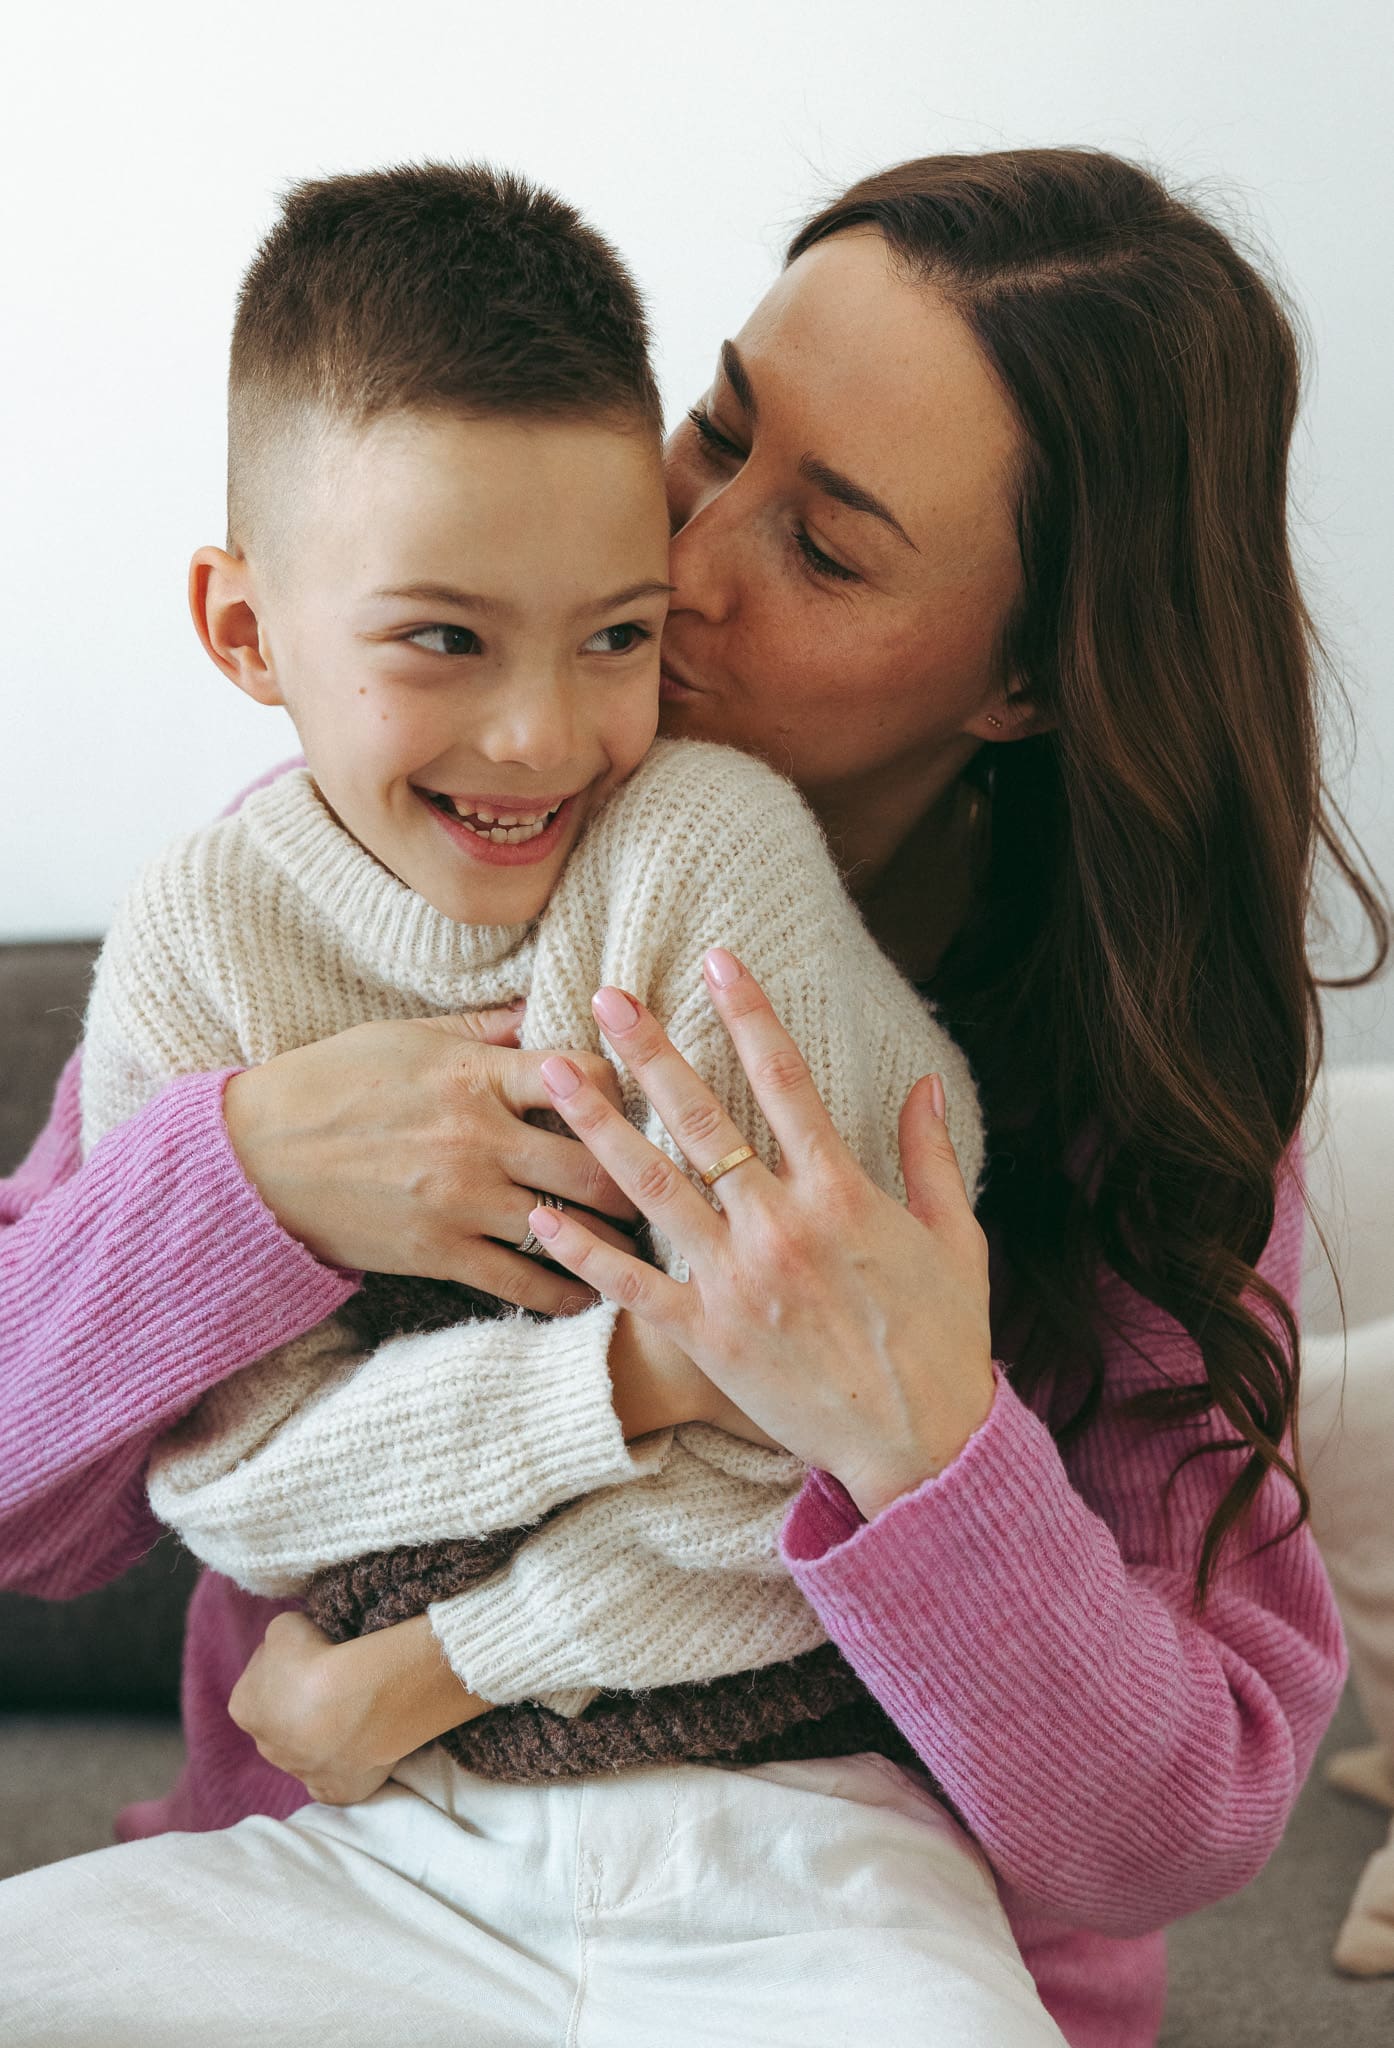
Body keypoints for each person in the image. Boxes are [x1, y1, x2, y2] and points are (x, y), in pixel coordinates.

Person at [0, 146, 1385, 2047]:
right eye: (713, 432)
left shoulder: (1140, 1065)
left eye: (822, 546)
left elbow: (1179, 1818)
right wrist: (238, 1184)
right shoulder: (329, 873)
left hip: (851, 1926)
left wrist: (919, 1441)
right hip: (351, 1873)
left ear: (1024, 679)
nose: (684, 561)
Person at [78, 163, 986, 1742]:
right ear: (244, 633)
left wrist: (432, 1665)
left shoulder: (704, 852)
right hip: (370, 1833)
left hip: (776, 1803)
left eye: (613, 636)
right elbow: (222, 1488)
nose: (539, 738)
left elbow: (814, 1464)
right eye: (443, 637)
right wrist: (636, 1377)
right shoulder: (197, 936)